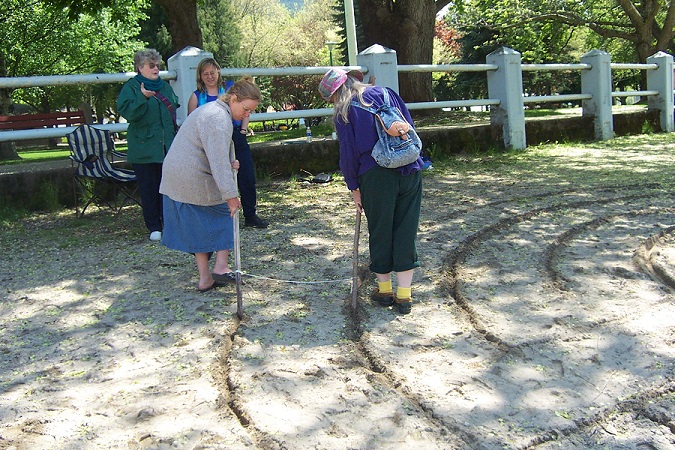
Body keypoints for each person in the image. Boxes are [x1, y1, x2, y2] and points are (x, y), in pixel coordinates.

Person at [318, 68, 424, 314]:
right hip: (409, 166)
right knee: (406, 230)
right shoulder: (387, 94)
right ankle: (405, 295)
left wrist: (353, 186)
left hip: (375, 174)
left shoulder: (345, 109)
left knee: (380, 230)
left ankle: (385, 291)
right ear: (356, 79)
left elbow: (348, 153)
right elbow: (408, 125)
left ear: (335, 94)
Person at [160, 76, 261, 293]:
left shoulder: (216, 111)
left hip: (180, 174)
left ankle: (206, 278)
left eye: (250, 111)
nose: (247, 115)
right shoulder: (218, 118)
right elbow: (217, 161)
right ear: (233, 99)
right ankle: (222, 267)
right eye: (245, 109)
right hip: (190, 175)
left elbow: (214, 151)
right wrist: (231, 196)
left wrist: (229, 161)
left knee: (201, 226)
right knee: (227, 211)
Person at [187, 57, 269, 229]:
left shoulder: (230, 89)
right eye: (206, 74)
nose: (210, 77)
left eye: (212, 73)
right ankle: (221, 215)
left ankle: (250, 213)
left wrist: (243, 131)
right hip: (210, 140)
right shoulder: (196, 97)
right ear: (200, 76)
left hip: (235, 134)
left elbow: (246, 110)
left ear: (218, 72)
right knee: (217, 175)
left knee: (246, 175)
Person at [117, 49, 179, 241]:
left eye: (157, 65)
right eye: (151, 65)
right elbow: (129, 114)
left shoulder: (165, 87)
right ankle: (154, 226)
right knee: (149, 188)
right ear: (139, 67)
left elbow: (172, 114)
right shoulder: (131, 88)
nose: (155, 68)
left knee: (168, 188)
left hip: (166, 147)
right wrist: (142, 98)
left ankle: (169, 223)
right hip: (144, 148)